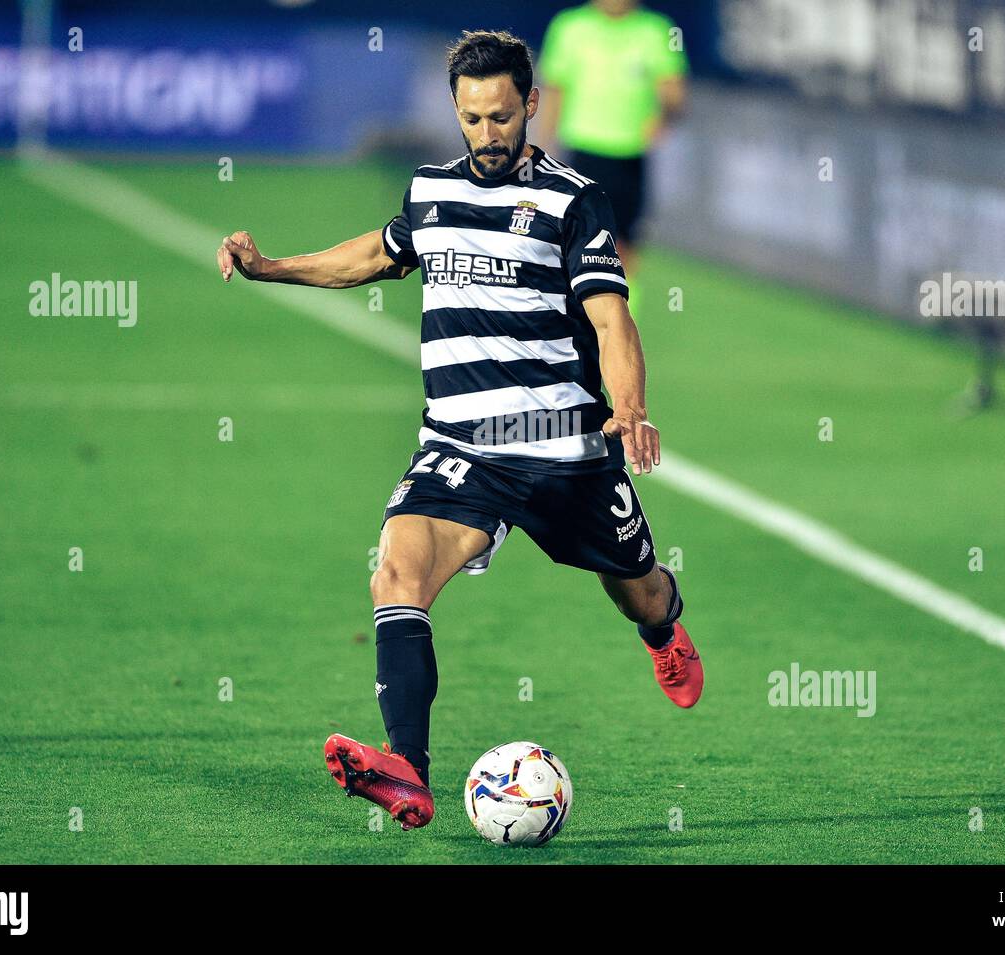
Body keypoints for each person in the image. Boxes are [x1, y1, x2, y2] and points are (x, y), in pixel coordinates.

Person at [215, 30, 702, 832]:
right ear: (455, 110)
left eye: (502, 116)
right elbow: (376, 253)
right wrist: (274, 267)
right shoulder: (432, 190)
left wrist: (631, 408)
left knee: (639, 585)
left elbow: (611, 320)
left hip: (564, 449)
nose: (487, 134)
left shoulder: (573, 202)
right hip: (460, 445)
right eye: (472, 118)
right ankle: (408, 765)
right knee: (395, 574)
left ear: (531, 105)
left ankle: (663, 631)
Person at [536, 0, 689, 319]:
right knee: (575, 247)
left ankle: (621, 329)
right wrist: (540, 152)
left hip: (629, 158)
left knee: (625, 252)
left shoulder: (656, 30)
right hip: (582, 155)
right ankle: (574, 327)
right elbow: (554, 93)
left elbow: (674, 94)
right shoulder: (569, 27)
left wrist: (664, 115)